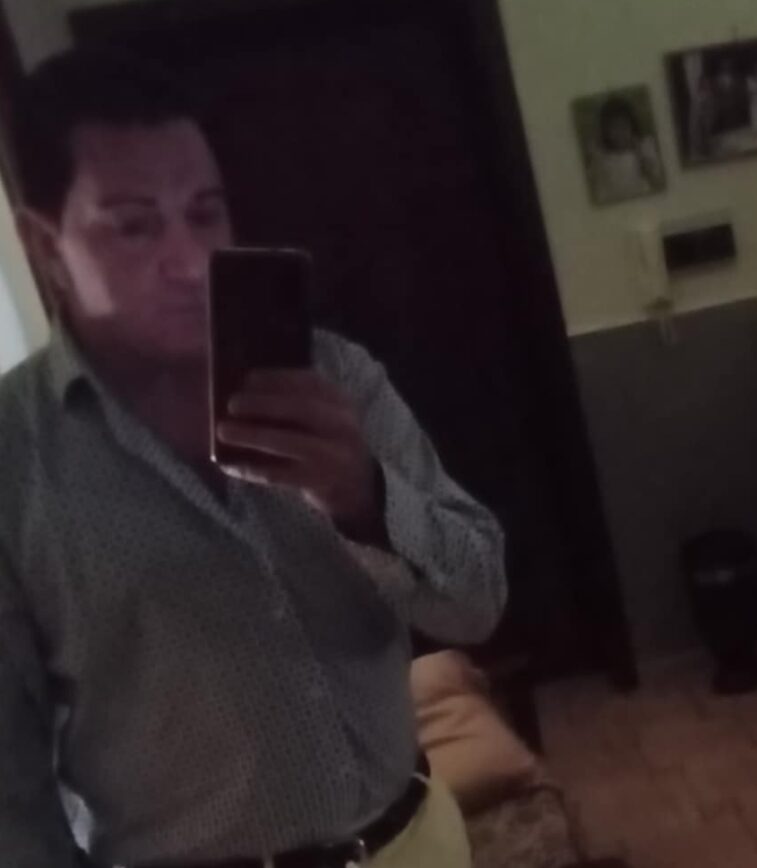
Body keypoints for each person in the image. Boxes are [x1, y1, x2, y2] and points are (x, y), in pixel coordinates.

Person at [0, 49, 506, 868]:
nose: (190, 259)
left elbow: (479, 604)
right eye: (135, 224)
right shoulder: (13, 460)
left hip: (418, 842)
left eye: (206, 213)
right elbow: (10, 793)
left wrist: (365, 499)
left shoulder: (338, 375)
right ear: (44, 243)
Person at [587, 96, 664, 204]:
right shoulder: (602, 156)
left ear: (632, 126)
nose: (619, 132)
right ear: (605, 131)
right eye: (613, 127)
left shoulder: (644, 147)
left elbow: (656, 182)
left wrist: (640, 154)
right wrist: (595, 156)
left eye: (624, 126)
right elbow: (595, 186)